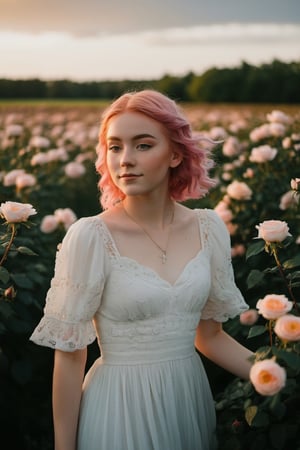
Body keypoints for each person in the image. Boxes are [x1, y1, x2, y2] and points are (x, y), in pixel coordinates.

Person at [30, 89, 253, 450]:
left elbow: (209, 336)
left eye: (143, 145)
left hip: (187, 402)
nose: (125, 160)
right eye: (115, 147)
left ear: (176, 154)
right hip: (119, 408)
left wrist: (278, 376)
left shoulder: (209, 228)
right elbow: (71, 357)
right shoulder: (91, 236)